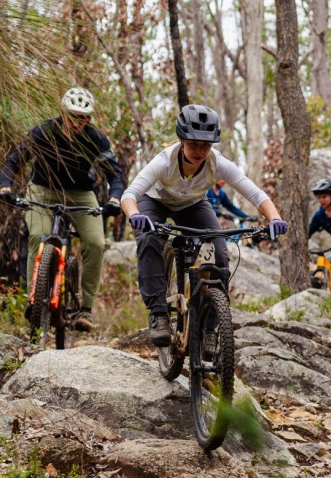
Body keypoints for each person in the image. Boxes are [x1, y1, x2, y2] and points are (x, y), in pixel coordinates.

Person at [121, 105, 288, 347]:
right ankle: (159, 315)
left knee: (219, 254)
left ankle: (211, 327)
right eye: (194, 144)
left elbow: (255, 194)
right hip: (155, 201)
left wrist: (274, 218)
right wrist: (135, 214)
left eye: (206, 145)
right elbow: (130, 194)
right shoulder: (164, 162)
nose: (200, 151)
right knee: (148, 239)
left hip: (192, 204)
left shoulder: (218, 163)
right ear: (181, 140)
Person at [0, 87, 124, 333]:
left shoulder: (96, 139)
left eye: (83, 117)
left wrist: (115, 199)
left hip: (81, 194)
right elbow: (14, 161)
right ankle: (34, 299)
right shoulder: (43, 131)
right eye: (72, 115)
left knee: (96, 242)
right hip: (42, 189)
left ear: (89, 118)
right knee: (38, 236)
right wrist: (5, 187)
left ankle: (85, 310)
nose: (77, 122)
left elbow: (115, 175)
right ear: (62, 112)